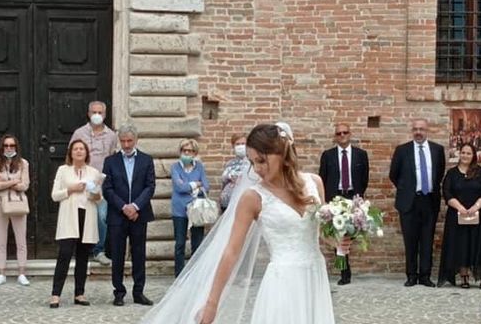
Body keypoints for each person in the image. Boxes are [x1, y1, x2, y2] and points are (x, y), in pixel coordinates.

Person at [141, 122, 347, 324]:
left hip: (315, 278)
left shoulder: (315, 183)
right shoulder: (253, 197)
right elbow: (231, 251)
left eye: (261, 161)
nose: (256, 169)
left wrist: (340, 241)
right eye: (252, 162)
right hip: (283, 282)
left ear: (282, 154)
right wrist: (212, 303)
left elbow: (321, 233)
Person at [102, 124, 155, 307]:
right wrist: (124, 207)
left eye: (129, 141)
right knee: (117, 254)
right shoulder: (110, 161)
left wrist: (135, 206)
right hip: (118, 215)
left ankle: (139, 292)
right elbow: (107, 188)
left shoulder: (147, 160)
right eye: (123, 141)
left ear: (136, 140)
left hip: (139, 215)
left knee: (139, 253)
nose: (126, 145)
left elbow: (150, 186)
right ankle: (119, 292)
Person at [389, 118, 446, 287]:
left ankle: (425, 275)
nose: (418, 132)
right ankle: (411, 275)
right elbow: (394, 174)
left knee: (427, 239)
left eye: (421, 129)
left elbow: (439, 173)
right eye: (415, 129)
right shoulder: (402, 150)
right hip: (409, 201)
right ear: (411, 131)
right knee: (410, 239)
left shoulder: (437, 150)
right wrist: (406, 188)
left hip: (429, 200)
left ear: (427, 130)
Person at [49, 140, 102, 308]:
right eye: (76, 149)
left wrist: (94, 193)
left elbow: (99, 199)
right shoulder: (63, 170)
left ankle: (79, 293)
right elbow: (55, 195)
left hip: (86, 216)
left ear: (86, 153)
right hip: (69, 217)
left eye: (82, 149)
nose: (79, 152)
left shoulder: (93, 172)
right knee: (64, 255)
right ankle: (56, 294)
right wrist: (71, 189)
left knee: (83, 257)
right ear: (71, 153)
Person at [437, 143, 481, 289]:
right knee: (461, 245)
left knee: (480, 245)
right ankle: (464, 277)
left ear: (473, 155)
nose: (465, 156)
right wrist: (461, 208)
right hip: (457, 215)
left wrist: (475, 207)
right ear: (459, 154)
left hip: (480, 215)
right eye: (463, 152)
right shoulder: (451, 174)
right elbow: (447, 192)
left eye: (469, 153)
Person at [318, 122, 369, 285]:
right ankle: (344, 272)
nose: (342, 136)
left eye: (345, 132)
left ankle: (346, 266)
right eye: (339, 133)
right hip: (335, 197)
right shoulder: (328, 155)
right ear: (335, 136)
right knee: (337, 233)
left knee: (351, 232)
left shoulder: (361, 155)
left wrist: (358, 197)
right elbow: (322, 177)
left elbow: (364, 178)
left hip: (353, 197)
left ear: (350, 134)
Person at [69, 100, 118, 265]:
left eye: (100, 112)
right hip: (81, 182)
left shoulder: (112, 136)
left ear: (105, 115)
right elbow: (70, 156)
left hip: (101, 184)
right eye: (93, 112)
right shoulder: (79, 133)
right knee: (80, 216)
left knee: (102, 216)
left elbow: (113, 157)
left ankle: (99, 250)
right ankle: (80, 250)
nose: (97, 115)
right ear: (88, 114)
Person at [0, 134, 31, 286]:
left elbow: (25, 185)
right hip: (1, 203)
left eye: (11, 146)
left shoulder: (23, 163)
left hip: (18, 203)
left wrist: (5, 182)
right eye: (6, 145)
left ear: (16, 147)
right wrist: (15, 181)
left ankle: (22, 272)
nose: (8, 148)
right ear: (2, 147)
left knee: (21, 240)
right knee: (1, 239)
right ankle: (2, 273)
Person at [171, 138, 210, 277]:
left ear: (195, 153)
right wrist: (195, 184)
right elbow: (179, 187)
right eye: (184, 151)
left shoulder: (199, 166)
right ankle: (179, 274)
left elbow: (206, 186)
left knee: (197, 243)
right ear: (180, 152)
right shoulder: (175, 167)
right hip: (179, 210)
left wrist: (189, 185)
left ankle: (195, 273)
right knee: (180, 243)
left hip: (196, 210)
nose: (187, 153)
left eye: (190, 151)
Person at [220, 133, 248, 211]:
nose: (240, 146)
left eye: (243, 144)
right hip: (227, 204)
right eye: (237, 144)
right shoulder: (229, 163)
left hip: (242, 204)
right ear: (233, 146)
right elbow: (223, 182)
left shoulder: (252, 163)